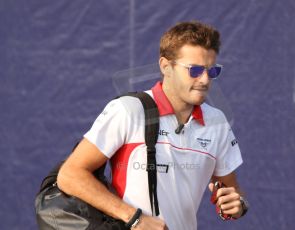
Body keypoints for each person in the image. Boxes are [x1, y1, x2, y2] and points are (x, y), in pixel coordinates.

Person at [57, 21, 248, 230]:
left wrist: (237, 205)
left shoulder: (217, 122)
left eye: (212, 71)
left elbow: (231, 191)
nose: (204, 80)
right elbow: (70, 175)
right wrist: (134, 218)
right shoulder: (128, 110)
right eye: (194, 70)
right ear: (166, 67)